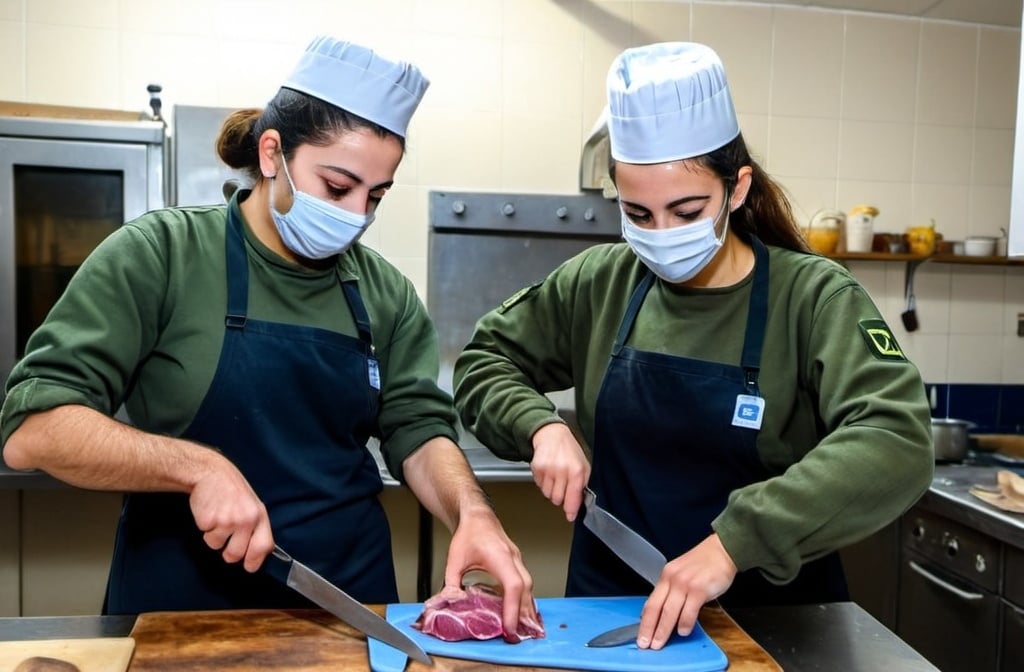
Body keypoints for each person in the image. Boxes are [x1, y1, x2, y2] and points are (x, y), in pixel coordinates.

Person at [0, 35, 535, 632]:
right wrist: (196, 467)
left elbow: (418, 430)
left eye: (375, 196)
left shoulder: (385, 293)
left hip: (347, 609)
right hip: (177, 610)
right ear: (273, 152)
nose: (356, 216)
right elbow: (35, 429)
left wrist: (472, 512)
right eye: (337, 187)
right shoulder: (161, 255)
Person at [453, 42, 932, 650]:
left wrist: (736, 541)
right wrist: (538, 426)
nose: (662, 236)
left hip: (772, 624)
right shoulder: (600, 282)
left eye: (686, 210)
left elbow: (896, 438)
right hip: (614, 615)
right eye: (639, 214)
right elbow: (484, 360)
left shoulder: (812, 297)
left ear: (736, 190)